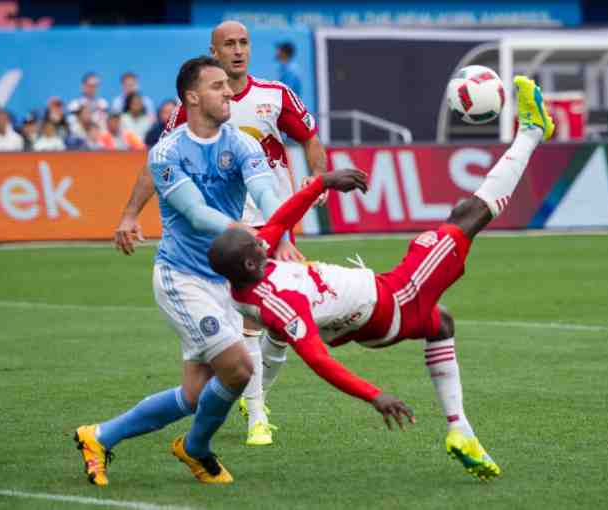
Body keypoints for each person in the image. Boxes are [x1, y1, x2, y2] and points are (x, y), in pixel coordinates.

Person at [207, 76, 556, 482]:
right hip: (395, 299)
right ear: (251, 265)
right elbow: (319, 360)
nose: (261, 239)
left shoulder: (250, 267)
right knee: (469, 213)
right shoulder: (280, 302)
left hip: (376, 310)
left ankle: (461, 431)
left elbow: (279, 220)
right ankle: (532, 131)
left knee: (440, 322)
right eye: (253, 244)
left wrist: (323, 182)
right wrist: (375, 395)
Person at [74, 56, 304, 487]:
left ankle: (99, 436)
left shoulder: (242, 144)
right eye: (218, 86)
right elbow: (196, 214)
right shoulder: (166, 152)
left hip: (223, 281)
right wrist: (246, 232)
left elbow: (267, 195)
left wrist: (283, 236)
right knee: (238, 368)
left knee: (196, 396)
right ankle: (197, 450)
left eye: (228, 86)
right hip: (183, 278)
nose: (230, 92)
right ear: (192, 97)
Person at [113, 20, 334, 447]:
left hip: (274, 221)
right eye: (228, 44)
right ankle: (256, 418)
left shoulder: (275, 96)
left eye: (244, 43)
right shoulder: (191, 108)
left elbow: (309, 138)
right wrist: (129, 213)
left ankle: (255, 400)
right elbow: (158, 163)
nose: (238, 50)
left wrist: (317, 181)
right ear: (213, 51)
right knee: (245, 325)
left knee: (283, 325)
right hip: (226, 231)